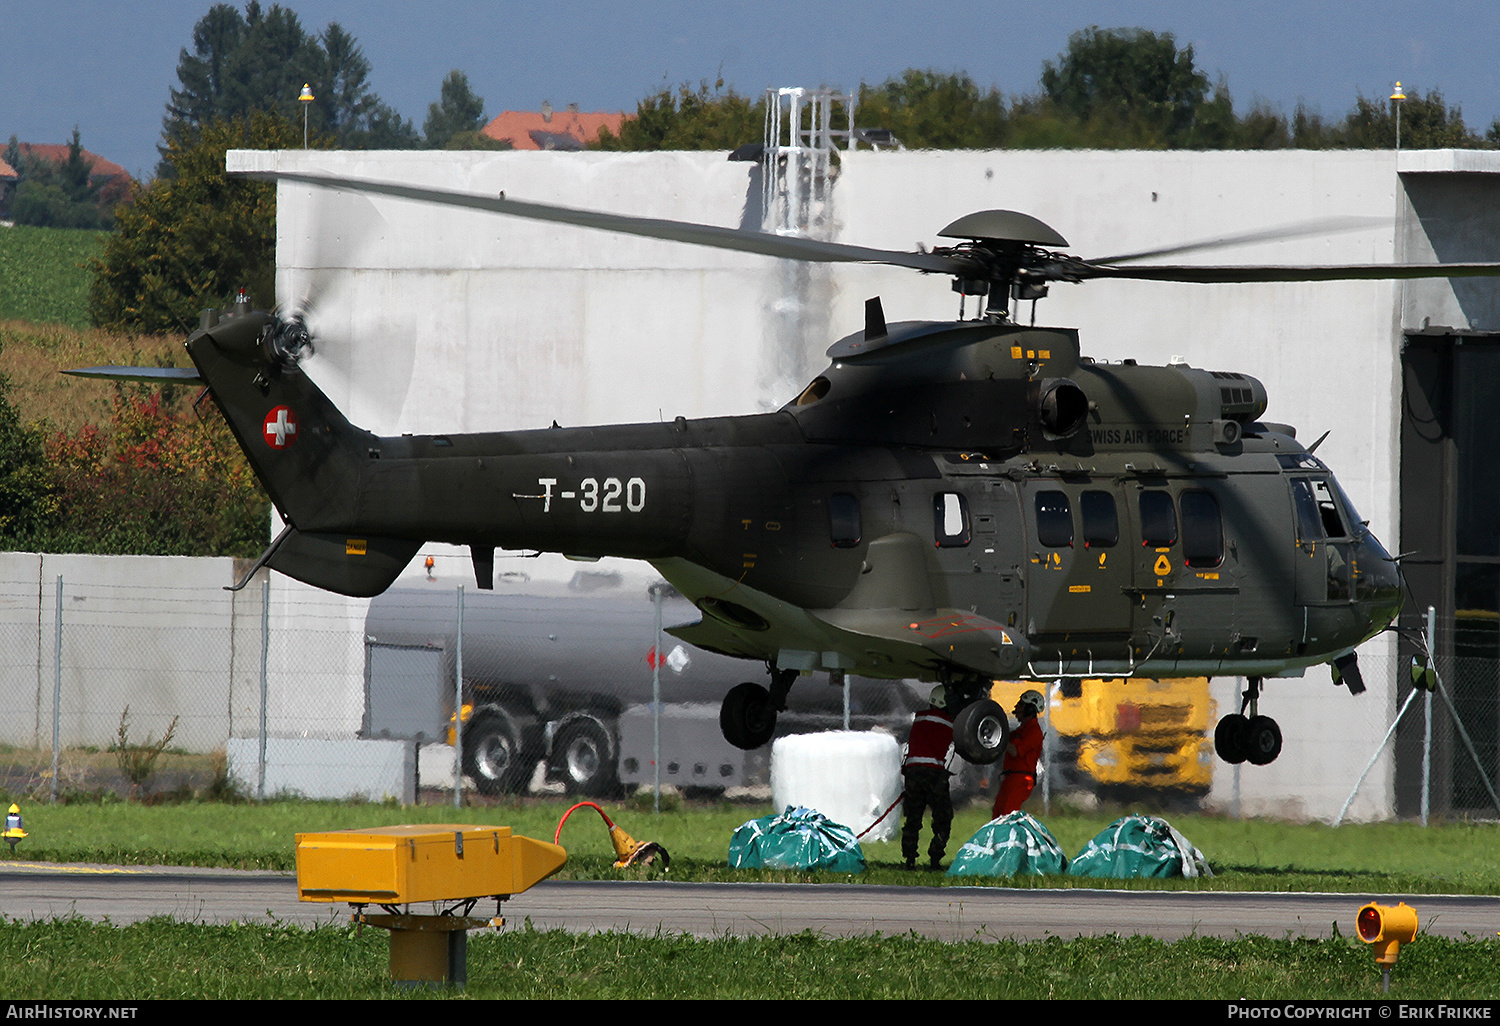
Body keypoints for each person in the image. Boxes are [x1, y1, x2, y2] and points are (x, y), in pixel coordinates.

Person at [901, 685, 954, 870]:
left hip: (913, 772)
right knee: (943, 817)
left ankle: (909, 859)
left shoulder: (920, 717)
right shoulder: (949, 721)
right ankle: (935, 857)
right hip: (934, 774)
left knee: (913, 818)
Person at [993, 689, 1046, 818]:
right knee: (998, 814)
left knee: (1007, 816)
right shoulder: (1021, 730)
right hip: (1010, 778)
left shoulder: (1033, 731)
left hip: (1020, 779)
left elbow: (1015, 751)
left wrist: (997, 738)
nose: (1016, 709)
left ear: (1029, 709)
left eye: (1021, 705)